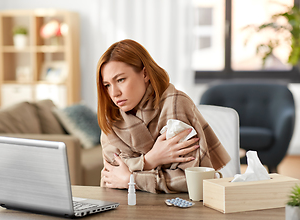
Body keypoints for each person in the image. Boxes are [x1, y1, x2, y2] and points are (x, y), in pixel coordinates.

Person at [97, 39, 230, 193]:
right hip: (122, 205)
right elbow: (111, 176)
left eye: (120, 80)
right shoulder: (111, 116)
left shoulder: (175, 104)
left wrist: (132, 179)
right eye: (107, 85)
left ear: (145, 74)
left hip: (174, 209)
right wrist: (149, 161)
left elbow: (193, 180)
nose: (114, 93)